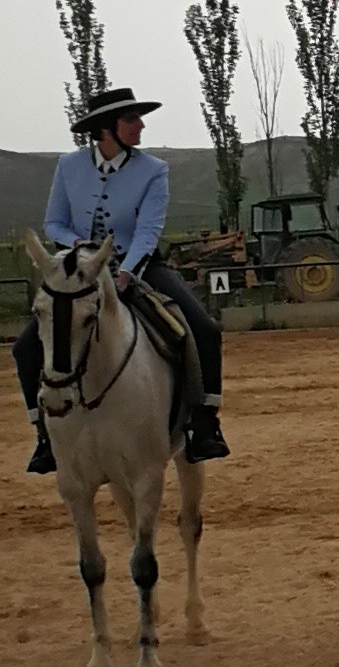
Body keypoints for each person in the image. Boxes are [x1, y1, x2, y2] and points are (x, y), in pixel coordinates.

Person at [14, 82, 227, 471]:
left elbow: (149, 230)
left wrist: (127, 271)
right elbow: (53, 223)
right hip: (78, 269)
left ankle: (204, 423)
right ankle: (44, 435)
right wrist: (77, 243)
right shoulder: (68, 166)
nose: (141, 125)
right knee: (26, 346)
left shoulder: (154, 171)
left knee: (202, 329)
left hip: (138, 265)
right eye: (132, 119)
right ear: (106, 128)